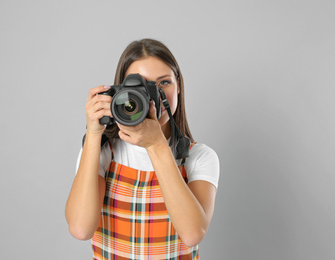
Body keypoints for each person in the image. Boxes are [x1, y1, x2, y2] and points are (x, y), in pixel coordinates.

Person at [65, 38, 220, 259]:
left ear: (179, 89)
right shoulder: (104, 153)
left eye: (164, 83)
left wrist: (156, 144)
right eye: (142, 86)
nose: (154, 96)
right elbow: (81, 229)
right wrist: (93, 134)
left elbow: (193, 234)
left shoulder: (199, 157)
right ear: (120, 93)